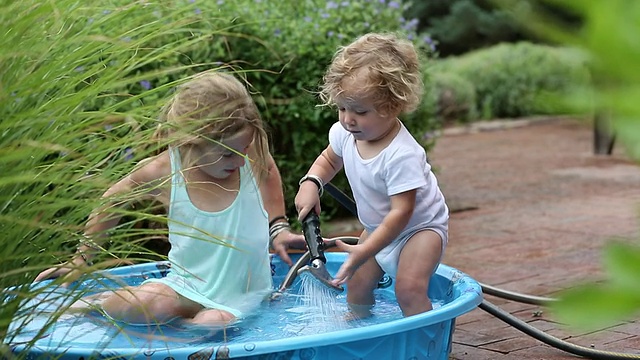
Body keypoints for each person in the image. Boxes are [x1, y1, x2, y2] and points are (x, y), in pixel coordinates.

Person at [35, 71, 305, 327]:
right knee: (147, 303)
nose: (241, 159)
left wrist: (278, 227)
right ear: (190, 142)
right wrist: (82, 258)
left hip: (243, 296)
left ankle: (182, 334)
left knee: (213, 323)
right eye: (227, 155)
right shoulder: (166, 172)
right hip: (185, 288)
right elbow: (113, 199)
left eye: (244, 149)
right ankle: (95, 304)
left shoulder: (248, 151)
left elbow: (268, 172)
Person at [294, 33, 449, 319]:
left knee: (408, 288)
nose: (347, 119)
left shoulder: (402, 154)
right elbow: (328, 159)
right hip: (378, 226)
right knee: (357, 285)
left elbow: (401, 213)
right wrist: (312, 182)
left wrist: (365, 248)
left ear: (393, 106)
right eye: (342, 108)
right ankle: (362, 331)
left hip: (419, 230)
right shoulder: (346, 133)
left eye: (360, 111)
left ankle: (424, 341)